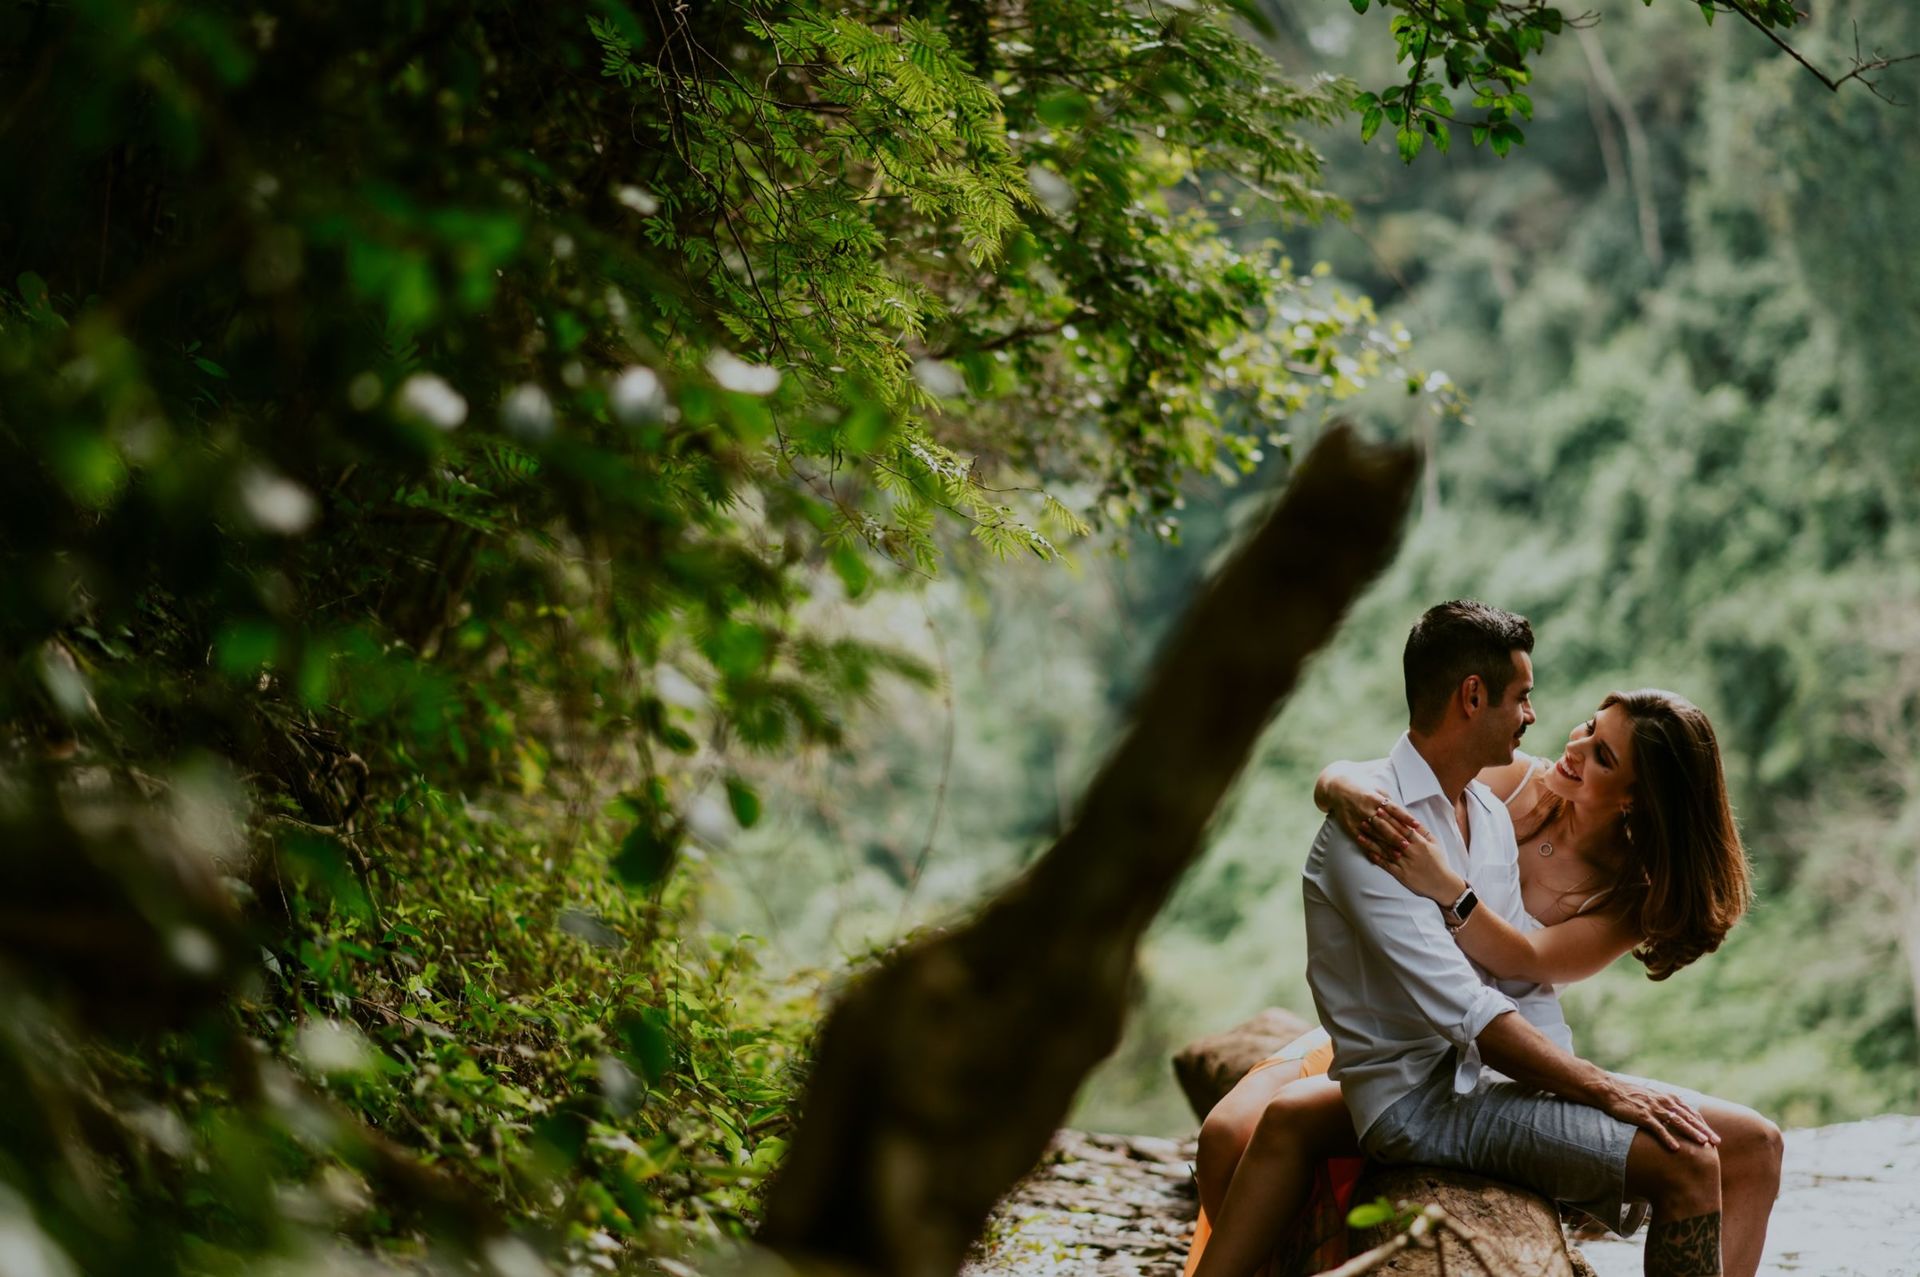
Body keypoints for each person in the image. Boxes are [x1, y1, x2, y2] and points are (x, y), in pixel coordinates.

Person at [1189, 601, 1782, 1277]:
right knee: (1240, 1128)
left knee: (1739, 1144)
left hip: (1480, 1057)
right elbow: (1468, 1006)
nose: (1553, 731)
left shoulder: (1497, 822)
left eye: (1602, 753)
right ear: (1474, 697)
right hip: (1429, 1070)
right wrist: (1337, 787)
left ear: (1635, 798)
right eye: (1530, 701)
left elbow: (1518, 973)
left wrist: (1588, 1095)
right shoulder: (1416, 823)